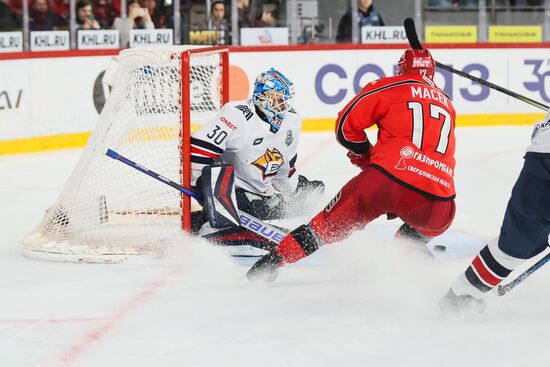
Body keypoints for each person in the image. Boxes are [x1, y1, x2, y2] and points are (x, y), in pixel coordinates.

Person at [245, 49, 457, 281]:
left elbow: (346, 128)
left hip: (384, 182)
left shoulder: (388, 86)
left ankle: (269, 265)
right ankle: (395, 259)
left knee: (323, 228)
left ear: (402, 68)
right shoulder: (447, 102)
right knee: (431, 224)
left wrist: (367, 158)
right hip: (439, 203)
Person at [190, 68, 325, 253]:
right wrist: (202, 187)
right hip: (231, 189)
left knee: (309, 196)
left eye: (285, 100)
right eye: (278, 99)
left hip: (262, 191)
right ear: (262, 98)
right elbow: (199, 147)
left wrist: (293, 195)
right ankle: (209, 226)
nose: (283, 105)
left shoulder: (292, 120)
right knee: (252, 213)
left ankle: (202, 220)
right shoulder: (236, 115)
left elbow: (284, 168)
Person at [440, 108, 550, 314]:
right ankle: (461, 296)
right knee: (515, 244)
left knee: (514, 246)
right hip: (543, 161)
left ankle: (460, 296)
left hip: (540, 161)